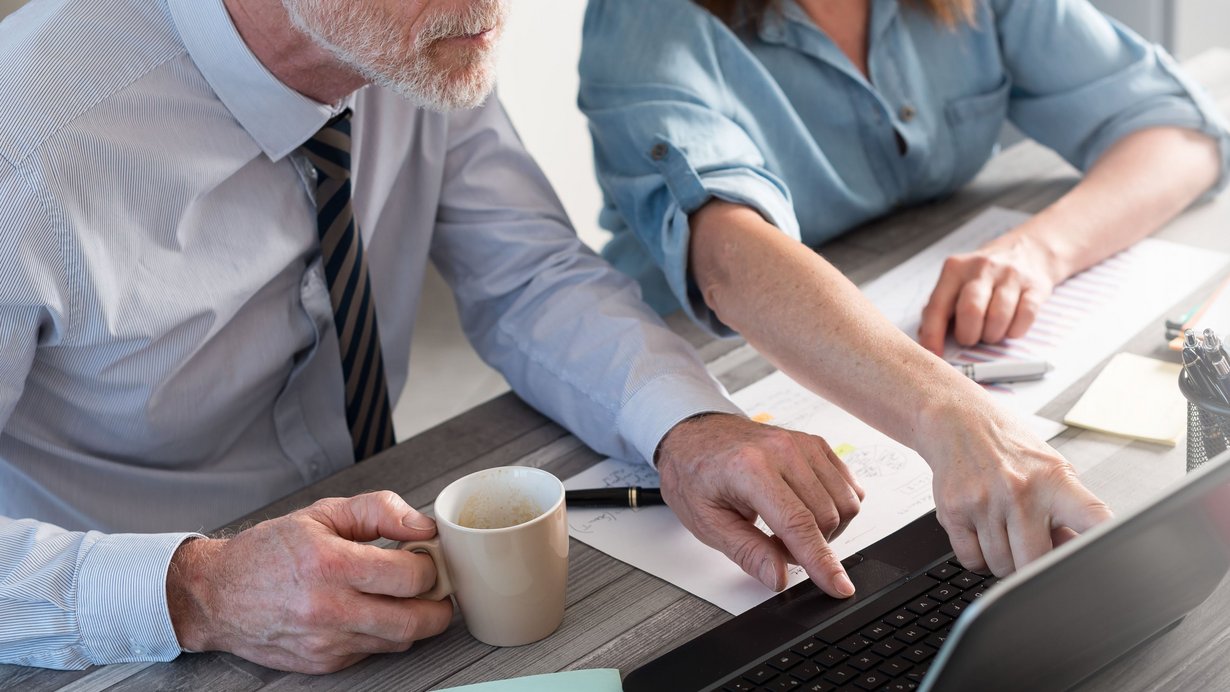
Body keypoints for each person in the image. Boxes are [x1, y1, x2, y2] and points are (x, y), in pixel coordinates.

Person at [0, 0, 1108, 675]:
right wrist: (196, 591)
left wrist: (689, 427)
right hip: (111, 642)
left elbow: (527, 273)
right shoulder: (28, 138)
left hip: (379, 599)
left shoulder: (419, 42)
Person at [578, 0, 1227, 586]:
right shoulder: (645, 18)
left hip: (883, 308)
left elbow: (1181, 133)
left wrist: (1040, 250)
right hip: (686, 362)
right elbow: (727, 256)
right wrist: (954, 413)